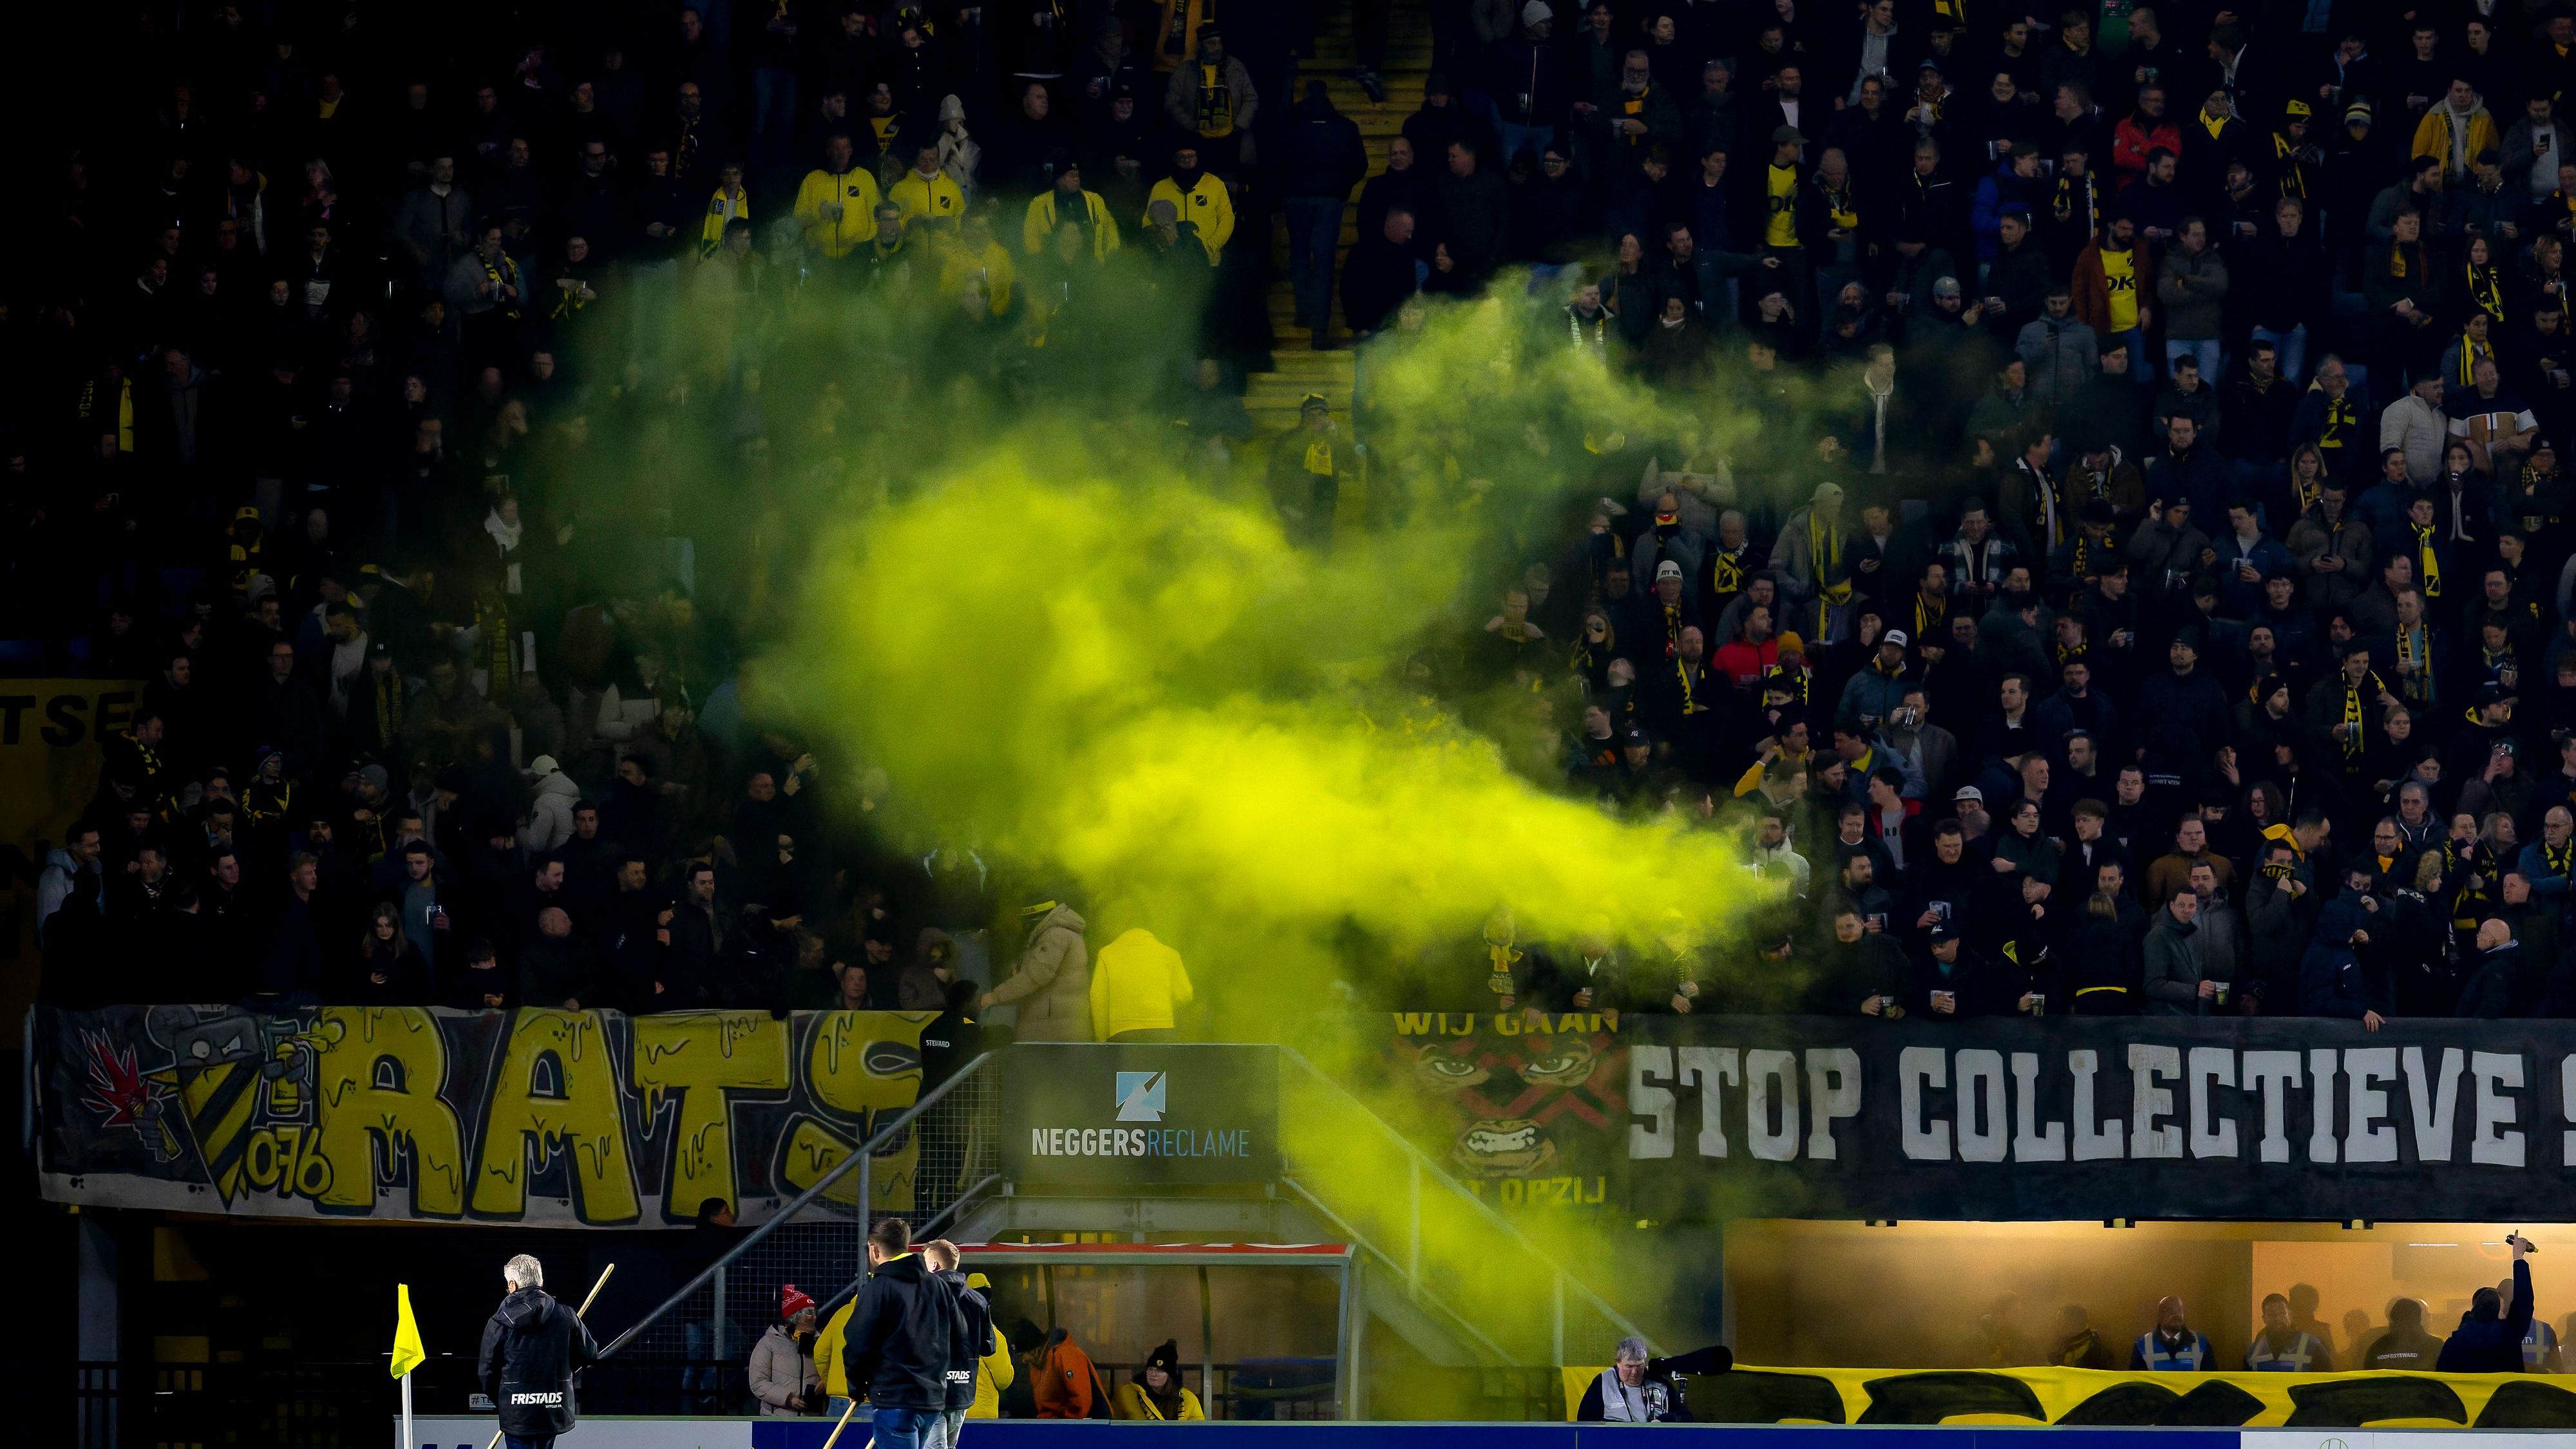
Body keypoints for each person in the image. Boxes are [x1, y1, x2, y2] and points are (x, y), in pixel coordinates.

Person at [840, 1217, 960, 1449]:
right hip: (931, 1399)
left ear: (874, 1250)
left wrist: (856, 1386)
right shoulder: (939, 1287)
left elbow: (858, 1343)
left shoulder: (878, 1289)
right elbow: (959, 1334)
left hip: (895, 1397)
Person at [476, 1254, 599, 1449]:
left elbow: (486, 1373)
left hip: (517, 1416)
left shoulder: (498, 1323)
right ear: (540, 1281)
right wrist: (563, 1373)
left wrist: (505, 1402)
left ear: (513, 1284)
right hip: (553, 1410)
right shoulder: (567, 1315)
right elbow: (590, 1354)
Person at [923, 1240, 995, 1446]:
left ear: (934, 1265)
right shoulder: (978, 1301)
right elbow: (988, 1347)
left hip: (931, 1392)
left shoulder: (924, 1296)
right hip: (962, 1391)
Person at [2438, 1230, 2536, 1370]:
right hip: (2504, 1393)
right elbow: (2524, 1302)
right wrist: (2518, 1258)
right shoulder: (2508, 1337)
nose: (2505, 1314)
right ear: (2498, 1313)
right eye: (2502, 1310)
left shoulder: (2453, 1343)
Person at [1090, 926, 1195, 1041]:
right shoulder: (1169, 954)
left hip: (1122, 1033)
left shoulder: (1107, 953)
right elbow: (1185, 995)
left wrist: (1102, 1038)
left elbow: (1098, 998)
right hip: (1162, 1030)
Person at [750, 1285, 820, 1415]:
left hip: (811, 1419)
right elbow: (758, 1383)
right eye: (809, 1313)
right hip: (777, 1418)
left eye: (815, 1312)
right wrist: (788, 1398)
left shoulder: (820, 1342)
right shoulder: (769, 1342)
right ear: (794, 1317)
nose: (814, 1317)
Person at [1112, 1340, 1206, 1420]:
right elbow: (1112, 1425)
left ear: (1169, 1375)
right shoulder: (1126, 1394)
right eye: (1150, 1369)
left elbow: (1198, 1434)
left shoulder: (1189, 1399)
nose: (1153, 1374)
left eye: (1160, 1371)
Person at [2246, 1293, 2335, 1370]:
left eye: (2282, 1313)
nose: (2278, 1318)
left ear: (2290, 1315)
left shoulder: (2312, 1344)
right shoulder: (2254, 1351)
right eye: (2272, 1314)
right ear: (2264, 1319)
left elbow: (2327, 1381)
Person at [2131, 1296, 2213, 1369]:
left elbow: (2211, 1380)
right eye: (2170, 1310)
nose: (2176, 1314)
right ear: (2160, 1316)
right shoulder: (2142, 1345)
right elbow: (2138, 1382)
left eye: (2179, 1310)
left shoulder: (2201, 1343)